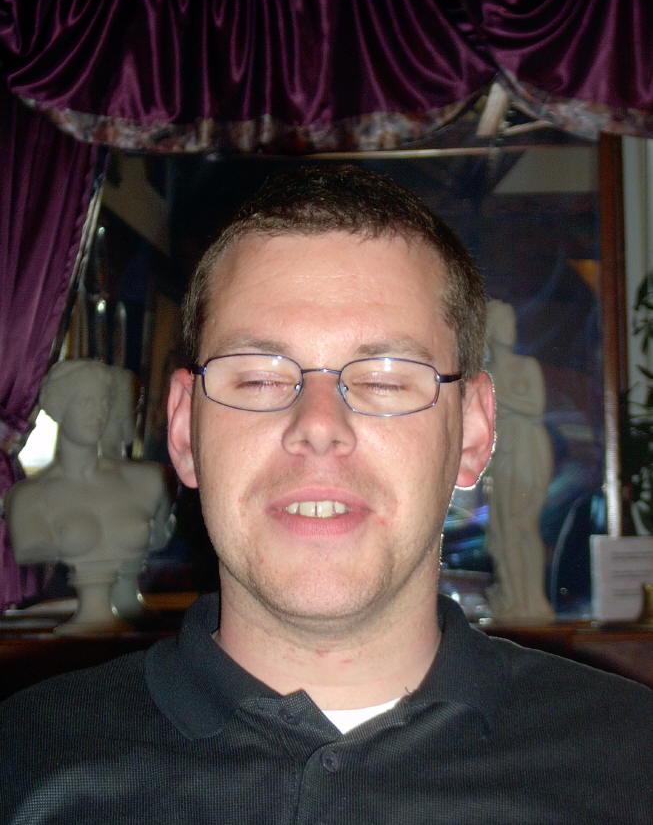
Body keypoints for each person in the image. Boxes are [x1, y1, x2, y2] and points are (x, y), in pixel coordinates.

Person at [1, 166, 651, 824]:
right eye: (257, 378)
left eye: (386, 378)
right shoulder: (22, 765)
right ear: (183, 430)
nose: (317, 425)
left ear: (473, 433)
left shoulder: (630, 763)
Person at [4, 359, 168, 635]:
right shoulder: (28, 498)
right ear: (60, 408)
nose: (98, 413)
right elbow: (29, 546)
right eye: (86, 402)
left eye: (104, 402)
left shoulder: (146, 480)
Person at [485, 299, 555, 621]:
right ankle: (514, 597)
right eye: (504, 323)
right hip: (501, 451)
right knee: (504, 530)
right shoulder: (486, 374)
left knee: (525, 523)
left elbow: (535, 407)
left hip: (527, 448)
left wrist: (497, 395)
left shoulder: (526, 366)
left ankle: (533, 598)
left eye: (512, 322)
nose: (511, 329)